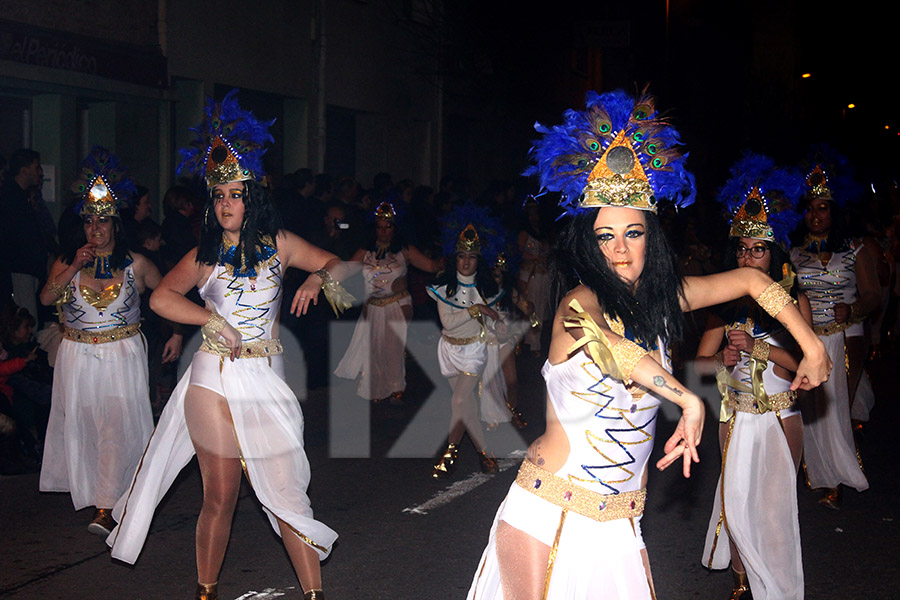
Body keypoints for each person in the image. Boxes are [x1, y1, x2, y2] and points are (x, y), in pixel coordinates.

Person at [466, 89, 830, 599]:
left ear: (649, 237)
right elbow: (612, 348)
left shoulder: (664, 300)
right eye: (605, 236)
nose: (619, 249)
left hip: (619, 525)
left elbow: (751, 283)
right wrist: (684, 397)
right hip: (549, 514)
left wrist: (812, 344)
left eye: (632, 233)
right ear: (587, 244)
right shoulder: (578, 303)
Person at [107, 91, 350, 600]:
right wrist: (207, 319)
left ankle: (315, 594)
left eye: (234, 195)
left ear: (253, 197)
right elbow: (161, 299)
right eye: (218, 196)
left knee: (285, 492)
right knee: (221, 492)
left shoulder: (281, 244)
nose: (225, 205)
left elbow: (345, 266)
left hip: (267, 376)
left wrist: (317, 280)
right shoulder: (204, 254)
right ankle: (206, 592)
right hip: (212, 374)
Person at [38, 147, 180, 535]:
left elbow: (168, 297)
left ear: (115, 224)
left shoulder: (136, 264)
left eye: (102, 222)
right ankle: (101, 494)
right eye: (89, 222)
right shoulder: (68, 260)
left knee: (116, 425)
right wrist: (73, 265)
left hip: (122, 353)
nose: (95, 229)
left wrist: (178, 333)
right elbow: (47, 298)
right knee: (86, 424)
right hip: (78, 354)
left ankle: (106, 505)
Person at [695, 154, 809, 599]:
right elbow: (698, 366)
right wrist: (722, 359)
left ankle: (777, 586)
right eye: (742, 248)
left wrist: (759, 347)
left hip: (780, 417)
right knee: (736, 504)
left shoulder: (793, 302)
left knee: (774, 510)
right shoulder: (724, 308)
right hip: (734, 416)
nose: (748, 256)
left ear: (773, 253)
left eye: (757, 249)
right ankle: (743, 581)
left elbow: (804, 366)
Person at [789, 149, 876, 508]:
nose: (815, 214)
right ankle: (820, 475)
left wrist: (851, 309)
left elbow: (872, 295)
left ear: (834, 211)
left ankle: (840, 475)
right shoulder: (793, 253)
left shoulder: (856, 249)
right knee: (810, 408)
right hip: (810, 335)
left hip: (848, 334)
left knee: (837, 405)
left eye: (822, 207)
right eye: (810, 207)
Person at [428, 205, 508, 478]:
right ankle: (485, 451)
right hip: (448, 348)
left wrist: (496, 320)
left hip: (474, 348)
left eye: (471, 257)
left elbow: (498, 319)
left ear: (479, 260)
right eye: (461, 256)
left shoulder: (486, 289)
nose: (465, 262)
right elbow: (449, 323)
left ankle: (450, 452)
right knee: (465, 405)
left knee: (460, 399)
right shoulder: (444, 287)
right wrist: (477, 310)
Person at [335, 201, 441, 402]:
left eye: (388, 227)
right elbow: (346, 269)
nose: (383, 232)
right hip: (373, 305)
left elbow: (430, 266)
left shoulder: (405, 250)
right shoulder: (365, 252)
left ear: (395, 227)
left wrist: (449, 261)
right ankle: (378, 387)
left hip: (399, 303)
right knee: (375, 348)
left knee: (392, 346)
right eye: (379, 227)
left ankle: (396, 386)